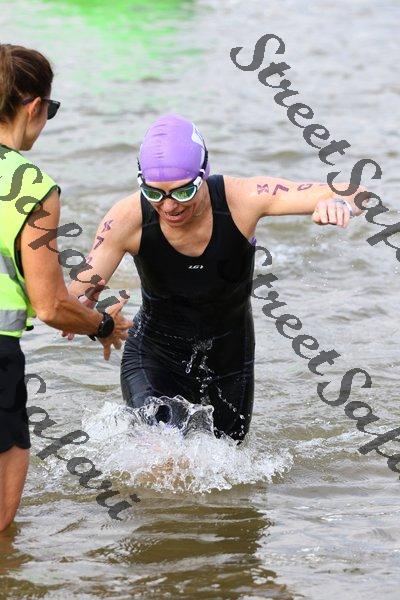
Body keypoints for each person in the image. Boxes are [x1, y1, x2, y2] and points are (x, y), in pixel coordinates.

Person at [66, 113, 362, 442]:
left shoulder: (242, 199)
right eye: (154, 193)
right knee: (161, 449)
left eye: (183, 193)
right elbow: (70, 300)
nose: (169, 207)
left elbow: (356, 194)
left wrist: (336, 204)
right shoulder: (127, 218)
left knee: (228, 462)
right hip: (154, 357)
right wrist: (100, 322)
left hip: (230, 360)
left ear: (204, 174)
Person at [0, 44, 132, 532]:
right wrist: (103, 325)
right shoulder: (31, 185)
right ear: (34, 106)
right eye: (49, 110)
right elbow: (51, 305)